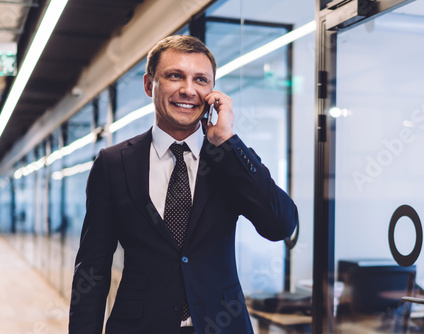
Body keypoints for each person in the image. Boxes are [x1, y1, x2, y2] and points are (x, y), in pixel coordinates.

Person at [68, 35, 298, 334]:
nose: (188, 90)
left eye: (200, 80)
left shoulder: (229, 158)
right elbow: (92, 267)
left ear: (212, 91)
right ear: (149, 84)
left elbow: (280, 225)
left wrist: (228, 142)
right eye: (175, 76)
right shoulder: (113, 164)